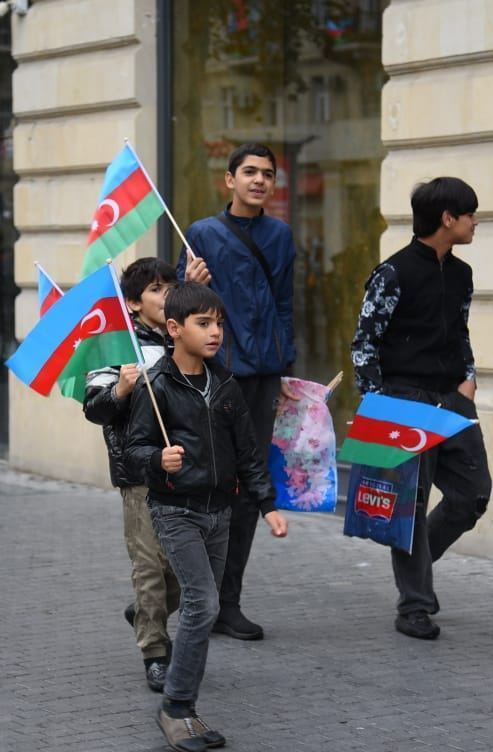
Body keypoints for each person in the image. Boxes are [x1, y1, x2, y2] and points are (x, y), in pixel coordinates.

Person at [125, 282, 289, 752]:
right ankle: (175, 708)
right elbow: (134, 449)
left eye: (218, 322)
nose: (215, 331)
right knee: (203, 605)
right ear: (174, 329)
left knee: (203, 606)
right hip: (176, 510)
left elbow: (248, 454)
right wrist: (159, 461)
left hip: (222, 513)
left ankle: (185, 706)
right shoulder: (156, 387)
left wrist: (268, 504)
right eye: (203, 323)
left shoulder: (226, 385)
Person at [350, 176, 493, 640]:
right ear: (447, 219)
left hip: (452, 399)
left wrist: (469, 378)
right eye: (469, 214)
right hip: (402, 402)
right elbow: (364, 343)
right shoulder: (392, 274)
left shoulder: (462, 274)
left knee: (472, 495)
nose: (475, 221)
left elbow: (460, 330)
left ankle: (419, 571)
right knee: (407, 507)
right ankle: (414, 604)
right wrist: (376, 404)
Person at [179, 142, 296, 641]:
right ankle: (175, 596)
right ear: (229, 180)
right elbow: (177, 309)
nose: (258, 181)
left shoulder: (281, 235)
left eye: (267, 174)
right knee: (207, 487)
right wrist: (188, 280)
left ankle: (228, 604)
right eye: (249, 172)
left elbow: (287, 304)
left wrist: (286, 366)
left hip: (265, 374)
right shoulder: (204, 234)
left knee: (250, 490)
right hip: (219, 372)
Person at [83, 257, 180, 691]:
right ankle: (155, 653)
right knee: (149, 568)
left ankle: (145, 611)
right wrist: (120, 388)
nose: (167, 296)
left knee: (185, 572)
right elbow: (95, 407)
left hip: (185, 471)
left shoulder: (187, 338)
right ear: (134, 303)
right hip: (140, 472)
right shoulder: (117, 346)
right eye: (157, 290)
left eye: (170, 287)